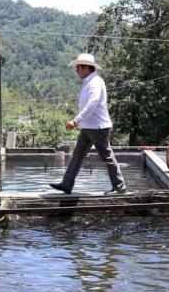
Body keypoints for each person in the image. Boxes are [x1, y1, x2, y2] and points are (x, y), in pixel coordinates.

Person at [49, 53, 126, 195]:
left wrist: (76, 120)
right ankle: (66, 184)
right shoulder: (89, 82)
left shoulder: (96, 82)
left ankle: (119, 187)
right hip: (88, 127)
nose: (76, 70)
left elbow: (92, 104)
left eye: (78, 67)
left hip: (98, 127)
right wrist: (80, 121)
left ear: (86, 68)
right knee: (77, 155)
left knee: (107, 156)